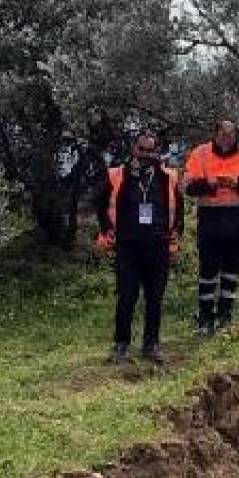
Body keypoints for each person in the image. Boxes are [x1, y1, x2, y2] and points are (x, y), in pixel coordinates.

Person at [95, 129, 182, 364]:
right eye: (141, 149)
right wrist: (106, 231)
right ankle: (121, 344)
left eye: (150, 150)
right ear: (133, 149)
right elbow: (100, 203)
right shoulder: (117, 174)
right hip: (128, 247)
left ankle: (151, 345)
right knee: (127, 297)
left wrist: (175, 238)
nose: (145, 154)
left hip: (158, 247)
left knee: (155, 299)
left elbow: (178, 210)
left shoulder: (168, 177)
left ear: (157, 151)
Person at [182, 118, 239, 334]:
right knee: (207, 269)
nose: (228, 139)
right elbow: (188, 187)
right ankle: (205, 317)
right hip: (210, 218)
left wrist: (236, 183)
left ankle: (225, 315)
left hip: (236, 218)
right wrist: (210, 184)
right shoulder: (200, 153)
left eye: (231, 134)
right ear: (215, 134)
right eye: (223, 134)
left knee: (232, 269)